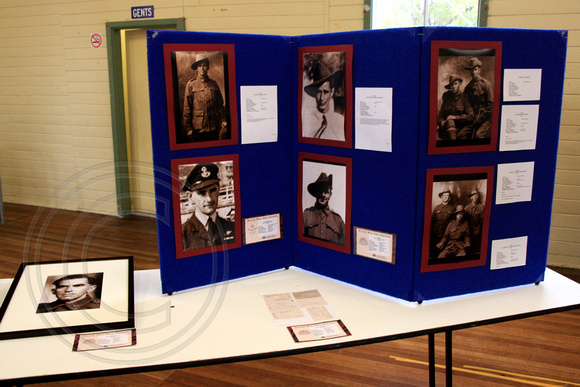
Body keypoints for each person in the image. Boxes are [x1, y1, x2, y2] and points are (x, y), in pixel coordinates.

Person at [181, 163, 235, 251]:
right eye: (201, 193)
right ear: (190, 196)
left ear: (219, 189)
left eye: (213, 190)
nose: (209, 199)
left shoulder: (233, 228)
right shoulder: (182, 234)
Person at [182, 53, 228, 142]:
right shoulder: (191, 85)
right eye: (199, 66)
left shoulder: (213, 84)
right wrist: (188, 129)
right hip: (198, 129)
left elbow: (220, 105)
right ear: (196, 68)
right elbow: (187, 108)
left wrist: (223, 120)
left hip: (213, 127)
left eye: (204, 65)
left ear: (208, 67)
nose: (202, 68)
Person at [302, 61, 345, 141]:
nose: (322, 98)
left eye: (326, 92)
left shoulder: (340, 121)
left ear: (331, 92)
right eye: (318, 92)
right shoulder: (306, 121)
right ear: (314, 93)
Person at [303, 172, 345, 245]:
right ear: (316, 193)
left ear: (330, 195)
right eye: (320, 191)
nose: (323, 195)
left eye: (326, 192)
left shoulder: (338, 221)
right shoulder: (306, 215)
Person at [36, 274, 100, 313]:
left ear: (91, 288)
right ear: (54, 291)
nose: (68, 290)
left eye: (77, 286)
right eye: (62, 286)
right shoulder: (40, 308)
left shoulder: (97, 307)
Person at [437, 74, 474, 140]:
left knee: (460, 136)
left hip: (462, 127)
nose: (453, 87)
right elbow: (440, 115)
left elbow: (471, 116)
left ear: (459, 84)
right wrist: (441, 121)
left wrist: (455, 117)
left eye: (455, 84)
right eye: (452, 85)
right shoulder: (447, 98)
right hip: (449, 127)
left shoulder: (465, 98)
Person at [464, 57, 494, 139]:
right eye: (471, 70)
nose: (473, 72)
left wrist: (482, 117)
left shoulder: (486, 84)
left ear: (479, 70)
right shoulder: (468, 88)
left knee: (478, 135)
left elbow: (491, 105)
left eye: (475, 69)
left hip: (486, 117)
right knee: (461, 135)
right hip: (474, 117)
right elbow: (468, 105)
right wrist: (473, 116)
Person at [430, 188, 455, 256]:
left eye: (447, 195)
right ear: (441, 197)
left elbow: (453, 223)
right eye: (444, 195)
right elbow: (432, 221)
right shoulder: (437, 208)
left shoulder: (452, 208)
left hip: (446, 234)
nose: (445, 197)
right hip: (436, 233)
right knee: (434, 253)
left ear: (449, 197)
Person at [465, 188, 485, 253]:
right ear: (471, 197)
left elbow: (482, 221)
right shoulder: (467, 208)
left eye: (477, 195)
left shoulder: (481, 207)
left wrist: (479, 230)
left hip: (477, 231)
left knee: (476, 250)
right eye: (474, 195)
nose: (476, 197)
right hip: (468, 231)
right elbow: (464, 221)